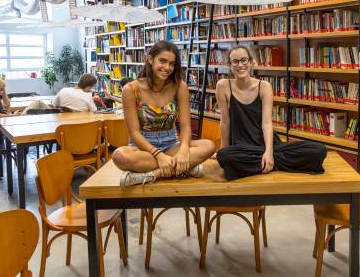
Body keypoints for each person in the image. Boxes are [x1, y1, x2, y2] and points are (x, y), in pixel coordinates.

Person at [215, 45, 327, 180]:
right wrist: (223, 149)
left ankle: (265, 162)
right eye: (235, 61)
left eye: (244, 60)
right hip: (242, 148)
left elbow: (267, 123)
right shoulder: (223, 86)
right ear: (229, 65)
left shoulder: (264, 86)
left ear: (251, 62)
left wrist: (268, 152)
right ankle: (272, 164)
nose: (240, 65)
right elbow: (225, 122)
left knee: (319, 150)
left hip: (269, 145)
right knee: (225, 156)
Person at [112, 41, 216, 186]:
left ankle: (154, 174)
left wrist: (184, 150)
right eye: (162, 61)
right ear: (150, 59)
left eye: (172, 64)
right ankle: (183, 168)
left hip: (171, 144)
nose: (167, 68)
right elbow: (134, 133)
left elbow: (185, 126)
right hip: (143, 148)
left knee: (208, 146)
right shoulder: (130, 90)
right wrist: (158, 155)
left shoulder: (180, 87)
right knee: (119, 156)